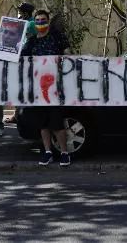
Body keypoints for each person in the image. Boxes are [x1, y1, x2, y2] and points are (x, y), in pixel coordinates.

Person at [26, 9, 73, 167]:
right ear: (34, 22)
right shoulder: (32, 41)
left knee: (57, 123)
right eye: (37, 20)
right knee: (43, 124)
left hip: (56, 88)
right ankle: (48, 152)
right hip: (38, 89)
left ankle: (64, 153)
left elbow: (69, 55)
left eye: (43, 20)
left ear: (48, 20)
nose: (40, 23)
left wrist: (65, 58)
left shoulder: (57, 37)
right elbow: (20, 57)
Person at [4, 1, 36, 126]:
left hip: (27, 59)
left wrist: (14, 23)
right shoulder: (26, 22)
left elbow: (20, 29)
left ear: (25, 13)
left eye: (21, 12)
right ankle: (17, 114)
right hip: (20, 57)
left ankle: (20, 115)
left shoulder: (30, 24)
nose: (19, 14)